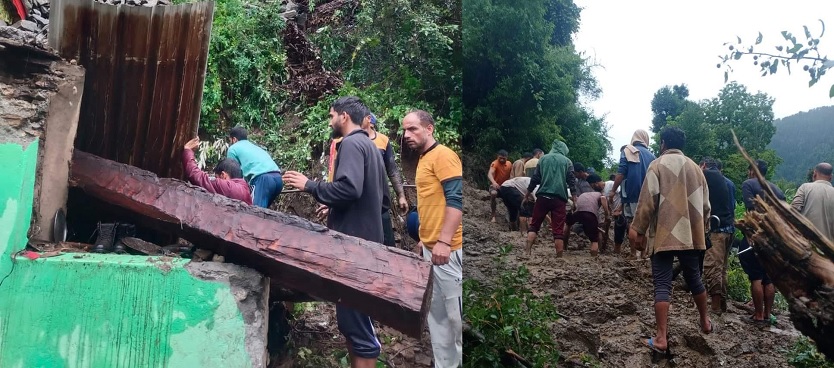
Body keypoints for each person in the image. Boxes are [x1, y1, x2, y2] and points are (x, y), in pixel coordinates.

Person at [282, 96, 385, 368]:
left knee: (358, 325)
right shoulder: (371, 146)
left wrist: (311, 186)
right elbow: (374, 197)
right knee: (351, 322)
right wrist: (335, 209)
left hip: (354, 248)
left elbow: (350, 188)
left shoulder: (350, 143)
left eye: (331, 116)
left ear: (344, 116)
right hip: (366, 243)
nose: (330, 121)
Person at [630, 126, 713, 357]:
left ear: (664, 143)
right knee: (695, 278)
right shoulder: (697, 169)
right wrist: (701, 229)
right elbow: (706, 207)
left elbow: (647, 203)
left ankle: (661, 338)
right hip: (691, 234)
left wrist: (638, 230)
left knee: (663, 285)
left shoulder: (656, 165)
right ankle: (705, 322)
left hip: (665, 233)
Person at [402, 109, 463, 368]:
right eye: (404, 130)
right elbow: (430, 204)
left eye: (413, 129)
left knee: (456, 318)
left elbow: (456, 201)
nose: (406, 135)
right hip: (431, 249)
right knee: (436, 318)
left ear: (429, 129)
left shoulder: (444, 156)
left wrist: (444, 241)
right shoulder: (423, 159)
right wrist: (424, 240)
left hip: (449, 251)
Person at [740, 159, 785, 326]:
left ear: (753, 170)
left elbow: (751, 207)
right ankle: (767, 314)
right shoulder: (777, 190)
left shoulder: (749, 184)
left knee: (756, 276)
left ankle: (758, 315)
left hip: (755, 236)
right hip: (774, 238)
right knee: (769, 277)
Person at [525, 139, 577, 258]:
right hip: (559, 199)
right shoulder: (567, 161)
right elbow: (571, 181)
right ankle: (559, 257)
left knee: (534, 224)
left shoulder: (543, 159)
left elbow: (535, 179)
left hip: (542, 196)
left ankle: (527, 252)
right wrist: (574, 198)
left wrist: (527, 194)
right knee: (558, 229)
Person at [610, 130, 657, 259]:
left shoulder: (627, 150)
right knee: (645, 226)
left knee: (633, 223)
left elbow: (621, 173)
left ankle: (632, 254)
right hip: (649, 194)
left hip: (632, 194)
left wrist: (613, 190)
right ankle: (643, 254)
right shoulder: (652, 156)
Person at [364, 113, 408, 247]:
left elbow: (392, 170)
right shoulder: (350, 140)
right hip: (359, 200)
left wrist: (401, 195)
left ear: (371, 122)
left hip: (380, 200)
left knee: (386, 240)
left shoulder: (383, 140)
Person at [700, 157, 736, 314]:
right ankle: (722, 304)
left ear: (704, 166)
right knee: (722, 268)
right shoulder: (725, 180)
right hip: (729, 228)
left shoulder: (706, 175)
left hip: (717, 230)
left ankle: (715, 307)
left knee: (712, 267)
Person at [181, 138, 253, 205]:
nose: (216, 179)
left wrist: (187, 150)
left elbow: (195, 175)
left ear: (223, 175)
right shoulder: (245, 189)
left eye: (216, 177)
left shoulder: (228, 187)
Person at [226, 126, 284, 208]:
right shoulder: (254, 147)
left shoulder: (233, 148)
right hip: (278, 179)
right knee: (264, 214)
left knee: (255, 214)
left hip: (263, 179)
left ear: (234, 139)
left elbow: (232, 172)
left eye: (230, 140)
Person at [564, 174, 610, 256]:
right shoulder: (599, 194)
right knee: (594, 238)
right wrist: (607, 214)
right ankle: (595, 254)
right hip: (590, 214)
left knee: (568, 224)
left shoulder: (583, 194)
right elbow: (603, 199)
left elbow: (575, 205)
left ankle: (564, 245)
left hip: (578, 213)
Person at [791, 162, 834, 240]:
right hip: (829, 247)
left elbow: (793, 210)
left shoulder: (805, 187)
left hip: (804, 243)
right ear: (831, 178)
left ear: (814, 174)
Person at [488, 150, 512, 223]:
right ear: (497, 157)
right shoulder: (494, 163)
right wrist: (494, 182)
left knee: (512, 198)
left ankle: (510, 216)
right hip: (496, 185)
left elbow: (512, 174)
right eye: (500, 158)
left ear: (507, 158)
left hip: (506, 186)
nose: (501, 160)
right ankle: (493, 215)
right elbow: (490, 173)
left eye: (503, 158)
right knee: (493, 194)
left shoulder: (509, 164)